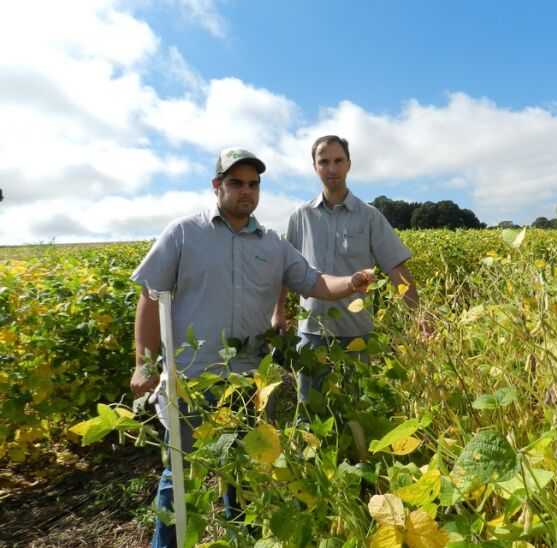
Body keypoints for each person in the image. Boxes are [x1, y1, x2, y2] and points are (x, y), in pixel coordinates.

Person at [129, 146, 374, 547]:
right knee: (182, 474)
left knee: (242, 473)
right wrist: (144, 363)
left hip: (247, 386)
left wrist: (351, 282)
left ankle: (240, 539)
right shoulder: (184, 233)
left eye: (253, 184)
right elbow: (150, 296)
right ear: (217, 186)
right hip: (190, 381)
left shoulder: (272, 244)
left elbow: (315, 283)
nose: (246, 191)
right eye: (236, 183)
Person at [272, 135, 428, 404]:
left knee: (357, 407)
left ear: (349, 165)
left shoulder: (369, 216)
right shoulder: (301, 216)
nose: (331, 169)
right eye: (324, 162)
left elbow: (396, 268)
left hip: (357, 331)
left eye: (338, 161)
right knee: (310, 408)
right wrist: (277, 313)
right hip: (312, 331)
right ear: (315, 167)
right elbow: (286, 269)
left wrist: (420, 318)